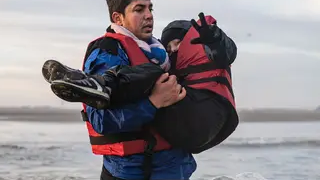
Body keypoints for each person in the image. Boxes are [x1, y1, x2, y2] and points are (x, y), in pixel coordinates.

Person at [41, 0, 215, 180]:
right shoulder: (107, 51)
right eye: (139, 9)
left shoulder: (163, 53)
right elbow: (103, 122)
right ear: (117, 17)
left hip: (176, 178)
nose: (149, 15)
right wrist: (155, 102)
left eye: (150, 7)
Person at [42, 12, 239, 154]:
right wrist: (152, 102)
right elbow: (103, 121)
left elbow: (227, 51)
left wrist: (216, 38)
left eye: (178, 43)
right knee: (157, 75)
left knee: (155, 73)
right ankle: (98, 86)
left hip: (205, 114)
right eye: (168, 46)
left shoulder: (212, 49)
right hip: (189, 136)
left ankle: (102, 85)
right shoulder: (172, 71)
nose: (172, 50)